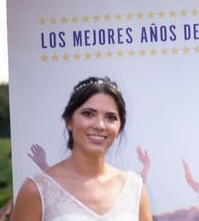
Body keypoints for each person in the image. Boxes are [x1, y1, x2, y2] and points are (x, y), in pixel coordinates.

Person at [12, 76, 152, 221]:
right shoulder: (37, 190)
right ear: (69, 122)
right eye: (88, 114)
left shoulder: (134, 188)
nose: (100, 125)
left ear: (119, 128)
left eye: (110, 117)